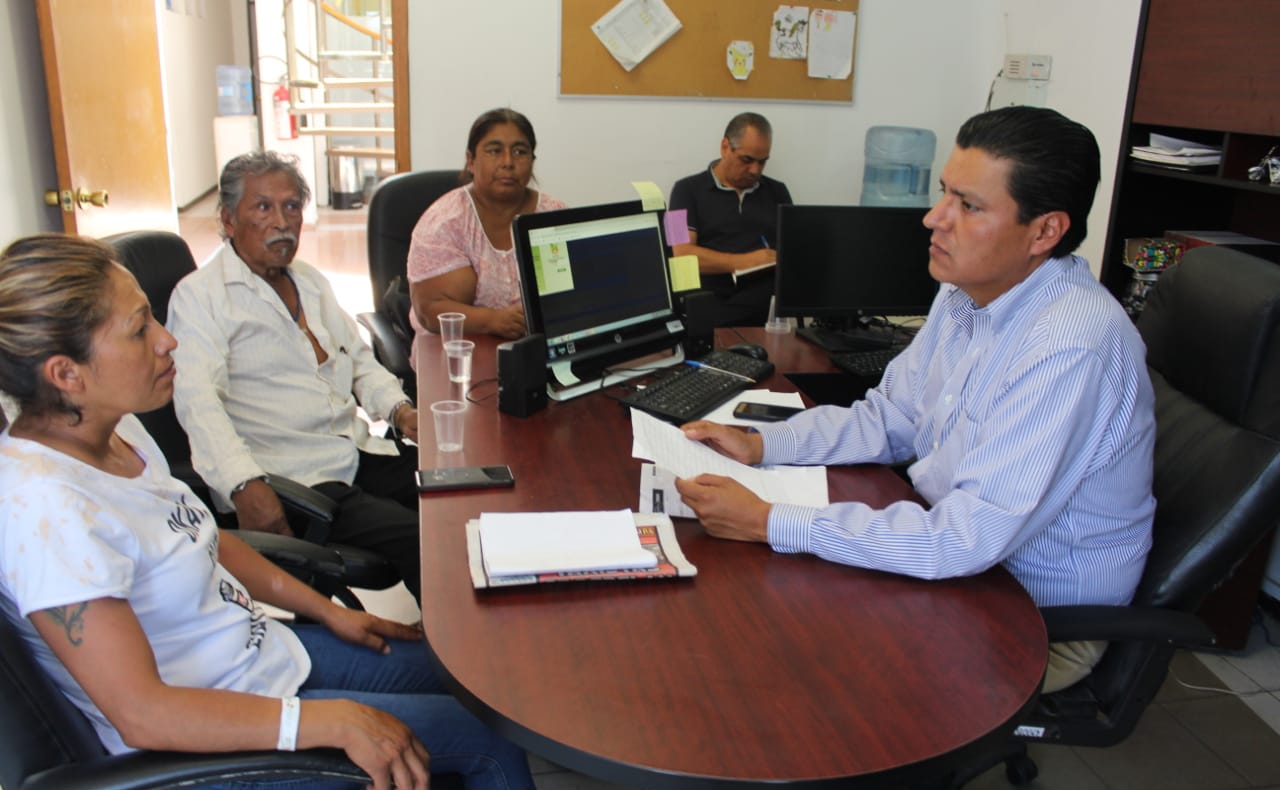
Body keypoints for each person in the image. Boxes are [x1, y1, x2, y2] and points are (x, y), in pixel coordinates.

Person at [0, 234, 554, 790]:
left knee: (474, 678)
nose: (166, 338)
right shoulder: (47, 510)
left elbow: (207, 541)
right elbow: (143, 713)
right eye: (138, 329)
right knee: (484, 736)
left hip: (255, 663)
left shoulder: (114, 430)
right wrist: (327, 720)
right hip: (200, 760)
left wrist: (328, 613)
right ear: (65, 374)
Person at [675, 106, 1157, 693]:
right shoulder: (965, 295)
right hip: (964, 561)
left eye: (969, 206)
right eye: (943, 193)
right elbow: (892, 418)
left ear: (1045, 231)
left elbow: (963, 541)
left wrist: (770, 520)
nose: (934, 218)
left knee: (781, 650)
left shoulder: (1070, 344)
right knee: (751, 602)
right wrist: (761, 444)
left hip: (1029, 612)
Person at [167, 151, 424, 600]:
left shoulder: (308, 280)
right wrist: (244, 486)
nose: (282, 221)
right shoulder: (200, 298)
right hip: (297, 479)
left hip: (355, 452)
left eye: (291, 207)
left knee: (463, 489)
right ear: (228, 220)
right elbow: (198, 403)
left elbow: (359, 360)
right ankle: (450, 660)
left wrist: (401, 411)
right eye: (263, 207)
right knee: (425, 535)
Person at [406, 108, 566, 352]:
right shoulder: (445, 223)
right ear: (471, 160)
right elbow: (430, 310)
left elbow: (569, 293)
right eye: (494, 151)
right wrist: (493, 320)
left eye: (520, 152)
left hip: (537, 349)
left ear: (532, 162)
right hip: (456, 351)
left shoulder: (554, 215)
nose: (508, 163)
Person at [669, 112, 793, 327]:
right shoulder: (682, 190)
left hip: (761, 306)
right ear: (725, 147)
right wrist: (744, 262)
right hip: (708, 298)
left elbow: (793, 254)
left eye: (762, 162)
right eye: (747, 160)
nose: (755, 170)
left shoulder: (779, 192)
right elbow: (680, 255)